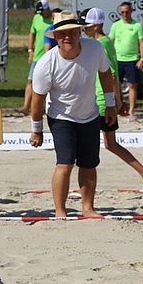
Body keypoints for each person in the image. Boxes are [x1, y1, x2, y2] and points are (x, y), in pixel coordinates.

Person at [29, 14, 119, 218]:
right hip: (61, 117)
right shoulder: (46, 64)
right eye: (62, 33)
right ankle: (60, 211)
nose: (67, 37)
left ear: (80, 32)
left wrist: (111, 106)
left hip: (89, 114)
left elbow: (105, 74)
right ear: (56, 37)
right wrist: (37, 131)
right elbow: (37, 100)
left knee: (89, 163)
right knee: (65, 162)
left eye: (72, 32)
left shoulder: (95, 49)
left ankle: (88, 208)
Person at [84, 7, 143, 188]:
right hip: (105, 99)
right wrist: (118, 100)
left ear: (95, 26)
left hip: (101, 101)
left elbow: (110, 74)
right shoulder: (107, 42)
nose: (84, 29)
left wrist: (114, 100)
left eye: (86, 26)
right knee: (110, 144)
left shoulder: (100, 44)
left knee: (86, 145)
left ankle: (85, 186)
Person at [110, 1, 143, 119]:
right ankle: (119, 108)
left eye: (127, 12)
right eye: (122, 12)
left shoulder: (137, 26)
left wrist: (142, 58)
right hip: (117, 59)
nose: (124, 14)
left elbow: (141, 42)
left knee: (132, 85)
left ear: (131, 11)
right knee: (115, 85)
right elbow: (110, 42)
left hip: (132, 59)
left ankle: (131, 111)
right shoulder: (116, 25)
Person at [20, 0, 52, 114]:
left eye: (42, 11)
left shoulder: (53, 19)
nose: (41, 14)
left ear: (48, 8)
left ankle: (44, 107)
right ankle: (25, 107)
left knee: (49, 83)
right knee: (30, 81)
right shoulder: (37, 18)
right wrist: (30, 50)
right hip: (37, 56)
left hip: (50, 56)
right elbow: (32, 33)